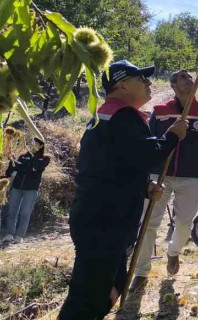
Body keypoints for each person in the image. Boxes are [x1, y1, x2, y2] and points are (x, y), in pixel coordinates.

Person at [59, 60, 187, 320]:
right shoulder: (123, 116)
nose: (149, 83)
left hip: (97, 216)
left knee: (110, 285)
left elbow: (109, 165)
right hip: (105, 221)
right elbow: (149, 155)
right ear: (122, 84)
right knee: (89, 296)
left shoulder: (104, 115)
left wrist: (143, 187)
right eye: (142, 79)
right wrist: (173, 136)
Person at [130, 69, 198, 291]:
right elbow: (148, 141)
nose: (189, 78)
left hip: (191, 176)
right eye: (183, 77)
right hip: (159, 174)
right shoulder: (161, 111)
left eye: (190, 76)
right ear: (173, 85)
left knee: (184, 223)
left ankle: (173, 252)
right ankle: (141, 272)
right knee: (148, 224)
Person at [1, 138, 50, 243]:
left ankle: (19, 236)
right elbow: (12, 170)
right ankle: (10, 234)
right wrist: (11, 161)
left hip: (31, 190)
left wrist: (29, 161)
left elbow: (36, 167)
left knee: (25, 213)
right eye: (31, 143)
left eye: (35, 144)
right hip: (16, 187)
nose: (32, 145)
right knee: (12, 212)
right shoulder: (22, 156)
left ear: (41, 146)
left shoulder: (45, 158)